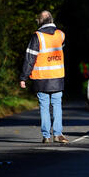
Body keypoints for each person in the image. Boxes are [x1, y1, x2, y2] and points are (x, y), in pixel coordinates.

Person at [20, 10, 69, 144]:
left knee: (44, 107)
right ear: (51, 20)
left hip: (41, 78)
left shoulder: (37, 37)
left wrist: (23, 77)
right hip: (57, 77)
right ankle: (58, 134)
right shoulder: (61, 35)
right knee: (57, 106)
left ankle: (46, 136)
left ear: (40, 21)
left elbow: (30, 59)